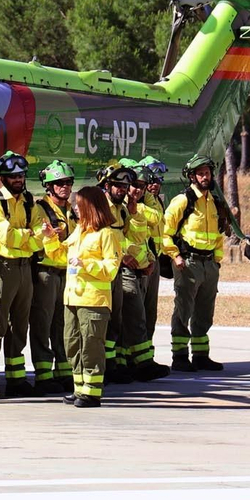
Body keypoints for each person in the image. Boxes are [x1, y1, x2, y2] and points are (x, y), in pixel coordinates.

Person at [163, 153, 232, 372]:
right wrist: (176, 256)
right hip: (188, 263)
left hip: (209, 264)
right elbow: (164, 233)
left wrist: (217, 261)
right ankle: (180, 356)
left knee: (205, 311)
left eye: (207, 173)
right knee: (183, 310)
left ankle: (201, 355)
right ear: (192, 177)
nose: (205, 177)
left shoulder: (214, 202)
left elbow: (218, 234)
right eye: (200, 173)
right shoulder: (183, 201)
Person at [0, 151, 40, 398]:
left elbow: (42, 237)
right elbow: (3, 235)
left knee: (20, 326)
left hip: (25, 267)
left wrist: (26, 238)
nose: (18, 179)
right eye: (13, 176)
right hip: (2, 269)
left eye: (21, 175)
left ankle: (16, 379)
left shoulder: (29, 200)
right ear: (3, 178)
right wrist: (28, 236)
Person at [60, 185, 122, 407]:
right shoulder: (78, 231)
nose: (75, 209)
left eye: (79, 205)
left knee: (91, 346)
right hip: (72, 298)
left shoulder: (106, 234)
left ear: (91, 207)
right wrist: (49, 239)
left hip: (93, 300)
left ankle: (92, 392)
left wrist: (86, 264)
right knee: (72, 343)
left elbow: (111, 269)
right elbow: (61, 255)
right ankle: (79, 388)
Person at [28, 160, 75, 395]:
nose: (65, 187)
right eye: (59, 183)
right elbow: (34, 239)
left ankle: (64, 372)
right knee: (42, 324)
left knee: (63, 325)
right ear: (49, 186)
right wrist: (49, 236)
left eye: (68, 182)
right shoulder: (39, 210)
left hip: (66, 273)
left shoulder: (72, 211)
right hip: (46, 273)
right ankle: (43, 375)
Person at [120, 161, 169, 381]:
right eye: (134, 185)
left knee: (147, 315)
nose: (138, 190)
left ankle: (141, 359)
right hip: (125, 267)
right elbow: (115, 235)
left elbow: (151, 227)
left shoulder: (146, 203)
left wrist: (150, 260)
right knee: (132, 316)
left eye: (143, 185)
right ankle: (135, 362)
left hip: (147, 265)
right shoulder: (119, 205)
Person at [96, 163, 140, 383]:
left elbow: (130, 237)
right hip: (100, 274)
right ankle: (98, 367)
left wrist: (133, 211)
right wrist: (120, 256)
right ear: (106, 185)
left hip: (116, 272)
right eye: (117, 185)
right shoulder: (97, 208)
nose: (122, 190)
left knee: (115, 321)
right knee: (100, 322)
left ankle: (110, 365)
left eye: (125, 186)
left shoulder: (122, 209)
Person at [137, 158, 172, 368]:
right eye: (151, 180)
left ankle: (147, 356)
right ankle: (136, 360)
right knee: (137, 314)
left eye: (159, 180)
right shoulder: (138, 204)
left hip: (154, 260)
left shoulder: (156, 201)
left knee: (150, 313)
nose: (155, 184)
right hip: (140, 263)